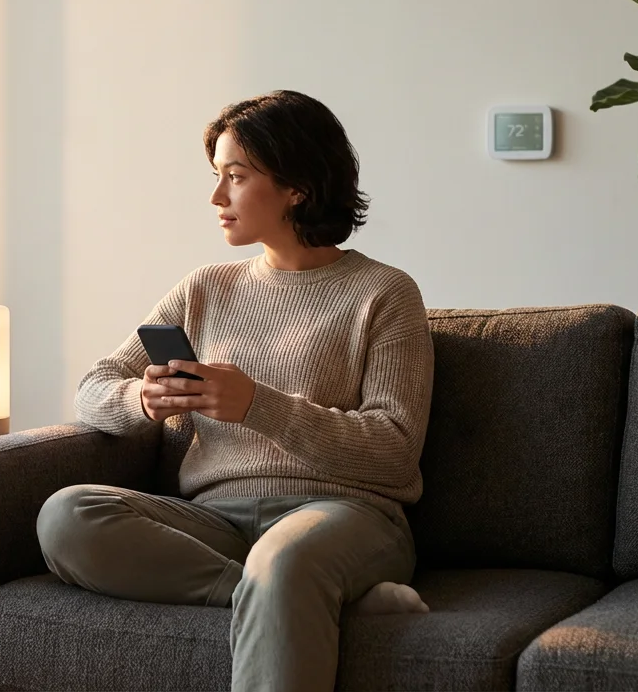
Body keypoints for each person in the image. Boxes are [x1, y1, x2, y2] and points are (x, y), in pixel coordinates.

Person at [36, 90, 434, 692]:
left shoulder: (384, 293)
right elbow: (93, 388)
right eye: (217, 176)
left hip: (343, 515)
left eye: (236, 177)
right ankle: (291, 602)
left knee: (288, 559)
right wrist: (141, 401)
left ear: (297, 185)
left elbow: (395, 449)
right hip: (215, 521)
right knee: (66, 516)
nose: (217, 197)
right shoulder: (203, 289)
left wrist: (257, 406)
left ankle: (288, 588)